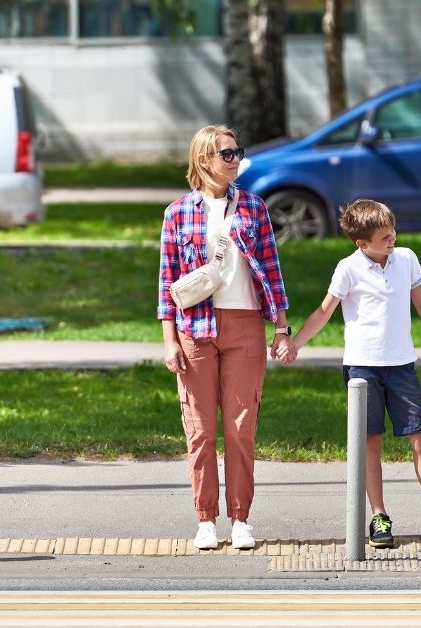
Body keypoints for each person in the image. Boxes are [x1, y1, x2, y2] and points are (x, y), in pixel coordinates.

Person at [279, 199, 421, 549]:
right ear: (363, 243)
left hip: (401, 365)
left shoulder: (406, 260)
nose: (393, 239)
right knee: (371, 442)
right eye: (385, 236)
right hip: (363, 367)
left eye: (394, 232)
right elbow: (323, 312)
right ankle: (379, 517)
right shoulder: (348, 268)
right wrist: (294, 343)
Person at [157, 124, 292, 551]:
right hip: (194, 328)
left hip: (246, 326)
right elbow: (167, 283)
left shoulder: (254, 207)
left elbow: (272, 270)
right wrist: (169, 340)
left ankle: (240, 518)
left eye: (237, 153)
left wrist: (282, 326)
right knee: (199, 431)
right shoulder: (177, 212)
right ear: (204, 161)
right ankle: (205, 519)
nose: (236, 160)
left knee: (240, 428)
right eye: (227, 154)